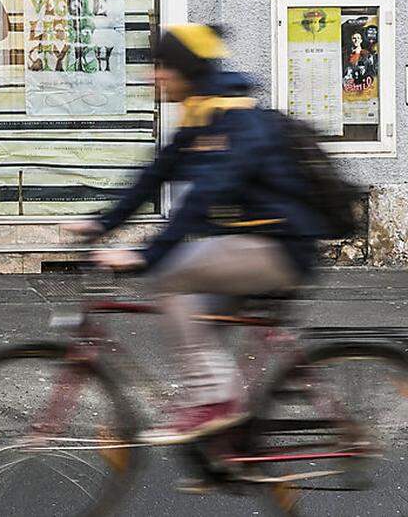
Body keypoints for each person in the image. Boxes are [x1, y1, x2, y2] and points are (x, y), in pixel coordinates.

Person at [68, 23, 325, 445]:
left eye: (161, 66)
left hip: (279, 248)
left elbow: (205, 195)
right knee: (198, 326)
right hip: (249, 245)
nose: (154, 76)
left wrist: (148, 254)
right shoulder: (202, 113)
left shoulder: (233, 120)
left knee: (172, 276)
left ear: (184, 70)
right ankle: (223, 447)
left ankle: (217, 405)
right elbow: (156, 174)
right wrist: (103, 223)